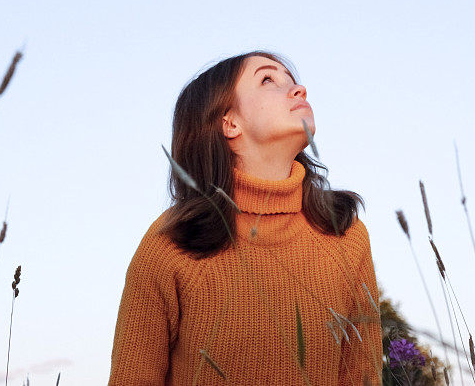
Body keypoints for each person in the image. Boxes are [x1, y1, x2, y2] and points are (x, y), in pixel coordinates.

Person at [109, 51, 383, 385]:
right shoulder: (170, 243)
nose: (300, 90)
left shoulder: (345, 235)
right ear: (229, 123)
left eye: (292, 79)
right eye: (269, 79)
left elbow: (362, 377)